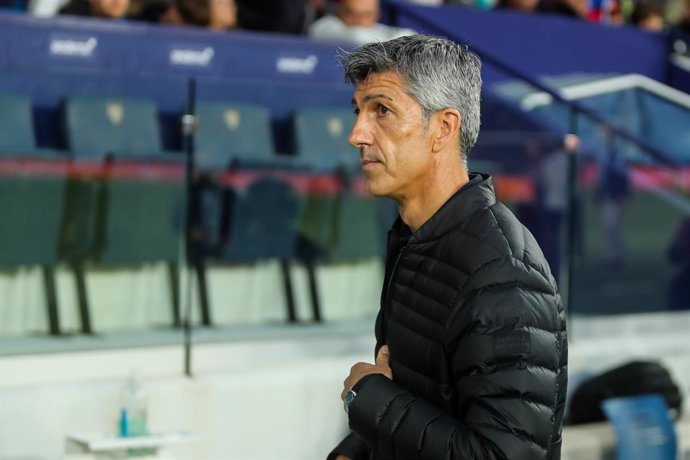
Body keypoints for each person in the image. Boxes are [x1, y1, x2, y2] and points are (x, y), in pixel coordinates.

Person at [329, 34, 568, 460]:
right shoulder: (417, 237)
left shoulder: (503, 272)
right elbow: (420, 399)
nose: (356, 134)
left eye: (381, 111)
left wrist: (364, 397)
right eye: (358, 112)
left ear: (443, 127)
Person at [308, 0, 414, 45]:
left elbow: (410, 36)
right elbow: (357, 36)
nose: (358, 20)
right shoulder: (327, 25)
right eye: (352, 13)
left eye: (366, 15)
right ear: (340, 11)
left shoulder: (382, 30)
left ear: (377, 15)